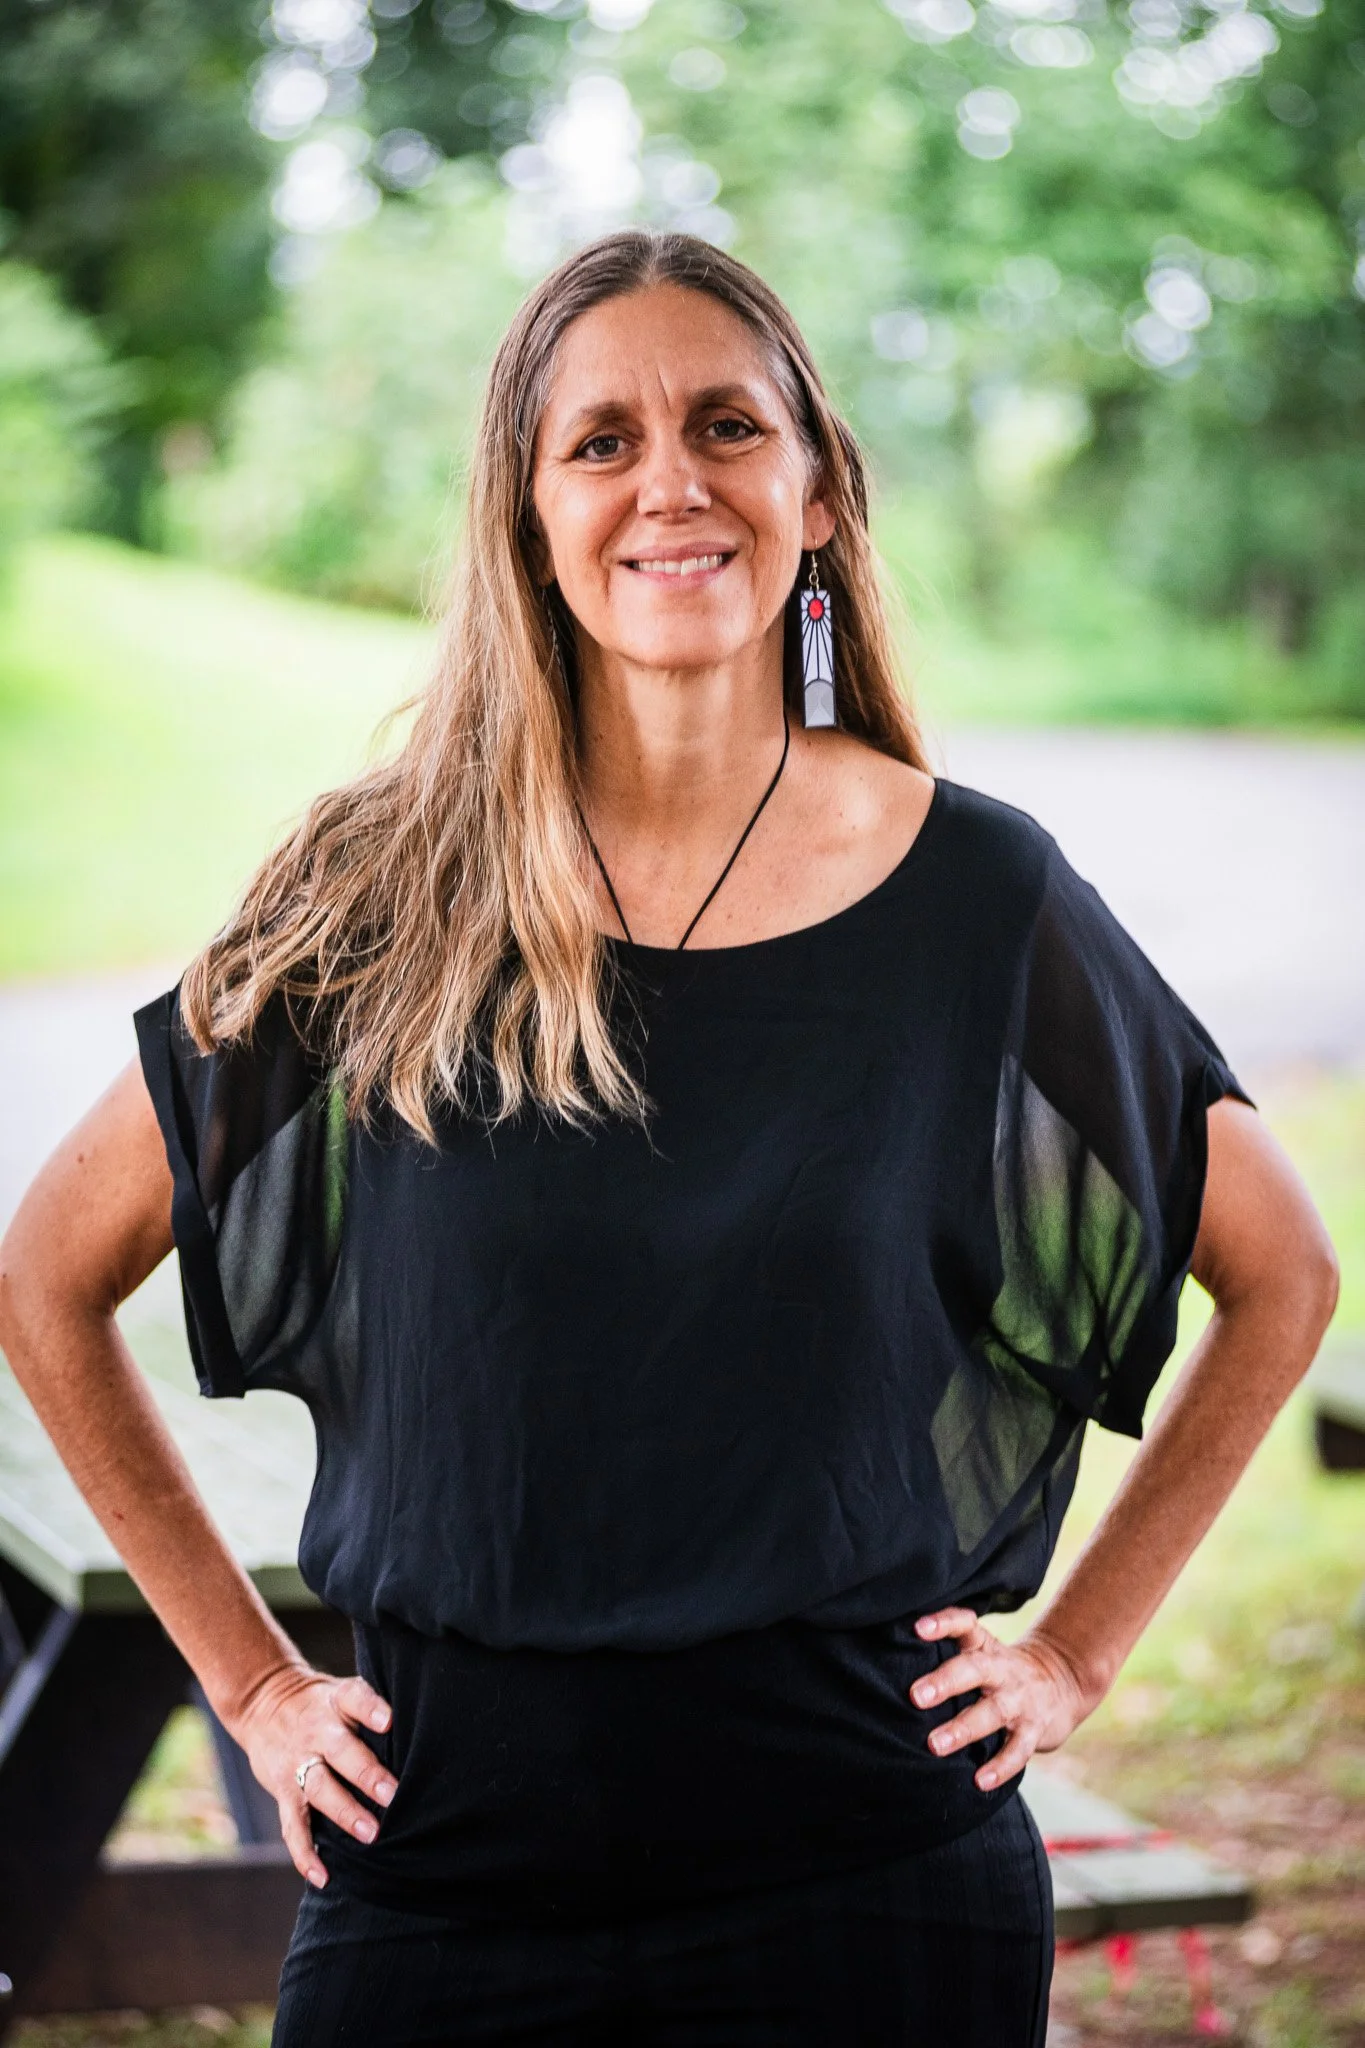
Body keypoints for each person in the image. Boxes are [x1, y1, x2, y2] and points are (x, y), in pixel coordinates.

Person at [0, 231, 1338, 2048]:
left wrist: (1076, 1650)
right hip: (441, 1886)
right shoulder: (383, 889)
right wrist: (250, 1685)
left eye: (726, 423)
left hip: (871, 1889)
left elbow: (1281, 1275)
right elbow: (46, 1276)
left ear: (815, 488)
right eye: (601, 441)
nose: (671, 483)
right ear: (530, 513)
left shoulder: (981, 896)